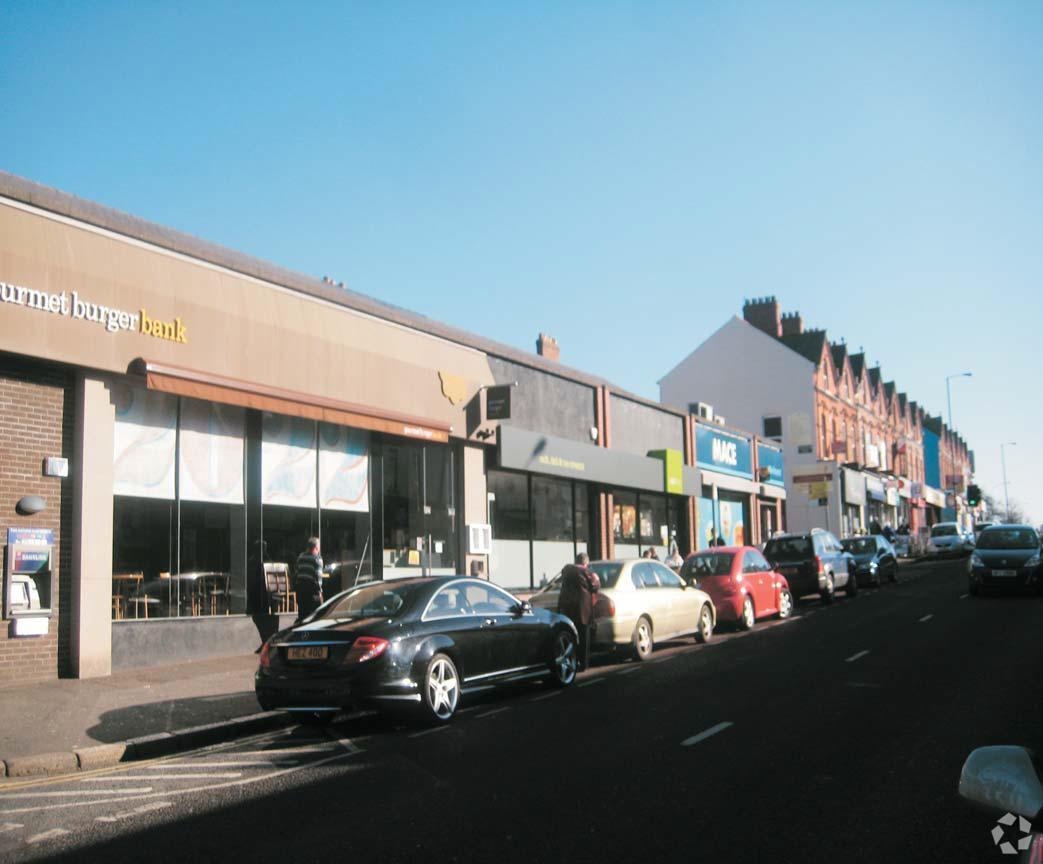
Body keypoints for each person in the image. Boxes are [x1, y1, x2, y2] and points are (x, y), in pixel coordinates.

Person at [557, 552, 600, 671]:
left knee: (570, 637)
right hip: (583, 610)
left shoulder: (566, 571)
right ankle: (583, 664)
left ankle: (571, 662)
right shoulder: (588, 572)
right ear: (586, 562)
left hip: (567, 609)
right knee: (583, 638)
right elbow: (596, 585)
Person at [295, 536, 324, 620]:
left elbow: (296, 574)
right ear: (316, 548)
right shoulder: (317, 559)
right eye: (318, 548)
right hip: (311, 591)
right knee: (314, 617)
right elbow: (318, 578)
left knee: (302, 616)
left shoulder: (300, 557)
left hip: (300, 590)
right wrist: (320, 593)